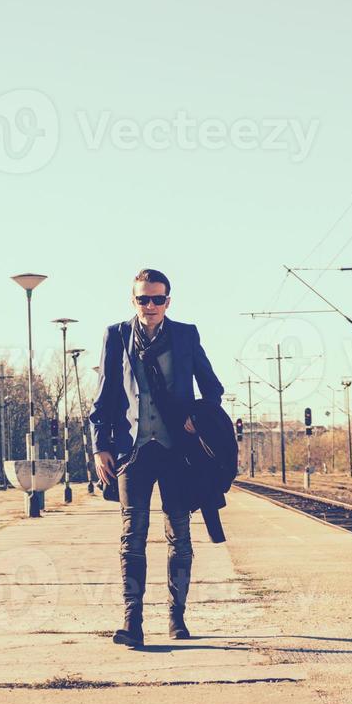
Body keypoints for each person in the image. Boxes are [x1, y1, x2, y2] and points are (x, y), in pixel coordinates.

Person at [88, 268, 224, 649]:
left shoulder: (185, 335)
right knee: (132, 536)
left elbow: (212, 387)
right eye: (142, 299)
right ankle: (132, 622)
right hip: (133, 450)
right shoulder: (115, 336)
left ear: (168, 300)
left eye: (157, 299)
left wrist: (197, 419)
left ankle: (176, 616)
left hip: (176, 451)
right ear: (133, 300)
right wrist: (100, 447)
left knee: (179, 536)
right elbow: (103, 398)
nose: (150, 306)